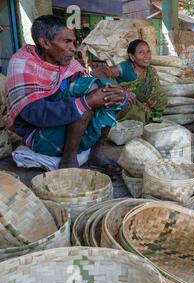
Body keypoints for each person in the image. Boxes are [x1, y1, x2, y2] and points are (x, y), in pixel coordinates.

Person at [5, 15, 128, 171]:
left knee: (104, 88)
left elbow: (92, 87)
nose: (73, 48)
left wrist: (117, 93)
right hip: (41, 136)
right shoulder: (22, 64)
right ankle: (68, 160)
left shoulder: (67, 63)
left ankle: (97, 152)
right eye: (67, 42)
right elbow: (35, 115)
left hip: (68, 130)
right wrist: (87, 102)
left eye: (74, 42)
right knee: (87, 94)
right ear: (45, 43)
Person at [90, 39, 167, 123]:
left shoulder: (151, 71)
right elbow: (96, 72)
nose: (147, 56)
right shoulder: (125, 67)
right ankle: (142, 118)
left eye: (148, 51)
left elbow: (155, 91)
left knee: (162, 96)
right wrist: (120, 90)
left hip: (142, 104)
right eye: (141, 53)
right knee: (131, 110)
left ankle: (151, 117)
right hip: (128, 102)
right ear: (132, 57)